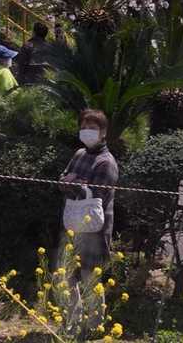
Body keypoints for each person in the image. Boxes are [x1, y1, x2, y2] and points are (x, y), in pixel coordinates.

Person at [59, 109, 119, 267]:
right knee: (67, 271)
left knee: (90, 275)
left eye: (92, 128)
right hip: (72, 221)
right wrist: (76, 183)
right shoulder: (79, 153)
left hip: (95, 230)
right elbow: (61, 181)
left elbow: (95, 195)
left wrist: (73, 181)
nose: (87, 132)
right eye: (83, 128)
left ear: (103, 132)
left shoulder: (106, 162)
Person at [16, 21, 49, 86]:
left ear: (34, 33)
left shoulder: (27, 45)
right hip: (47, 82)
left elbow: (21, 63)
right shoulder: (50, 47)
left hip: (29, 81)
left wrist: (20, 78)